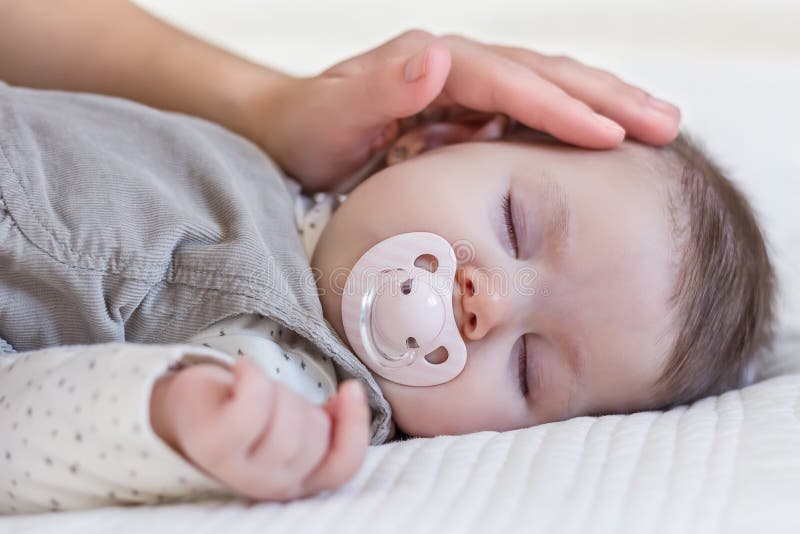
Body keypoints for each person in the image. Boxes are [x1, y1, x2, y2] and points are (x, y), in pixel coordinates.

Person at [0, 0, 727, 515]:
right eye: (514, 223)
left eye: (530, 368)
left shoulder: (290, 380)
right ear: (437, 140)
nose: (491, 303)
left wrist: (162, 415)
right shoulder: (270, 171)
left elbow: (21, 423)